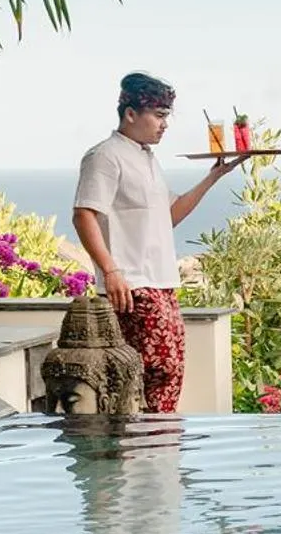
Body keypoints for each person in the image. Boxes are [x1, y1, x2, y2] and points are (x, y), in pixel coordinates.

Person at [72, 72, 239, 413]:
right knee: (154, 374)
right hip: (134, 285)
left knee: (168, 373)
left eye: (167, 116)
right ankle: (146, 451)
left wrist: (212, 177)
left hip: (162, 284)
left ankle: (158, 451)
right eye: (159, 115)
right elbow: (84, 214)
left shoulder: (146, 157)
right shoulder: (105, 156)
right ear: (130, 113)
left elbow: (170, 215)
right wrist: (111, 271)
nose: (165, 124)